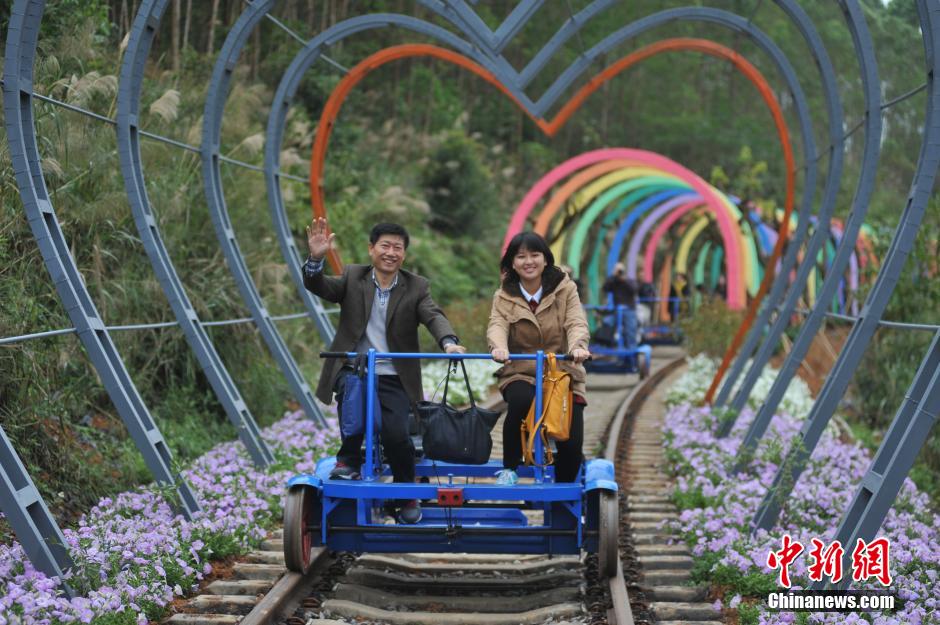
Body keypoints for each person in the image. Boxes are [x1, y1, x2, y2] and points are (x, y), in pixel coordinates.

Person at [303, 217, 465, 524]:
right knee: (354, 406)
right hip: (356, 367)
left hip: (394, 374)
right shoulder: (353, 276)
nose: (391, 252)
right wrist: (316, 259)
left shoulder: (416, 287)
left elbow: (433, 316)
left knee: (396, 434)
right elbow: (320, 286)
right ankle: (347, 459)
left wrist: (448, 342)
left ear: (404, 254)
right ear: (371, 249)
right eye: (385, 246)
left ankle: (406, 494)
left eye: (398, 248)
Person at [487, 232, 591, 485]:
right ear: (512, 263)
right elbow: (497, 325)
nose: (528, 261)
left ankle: (563, 492)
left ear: (546, 260)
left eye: (534, 255)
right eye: (521, 256)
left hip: (562, 369)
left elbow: (576, 321)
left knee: (571, 439)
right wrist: (499, 348)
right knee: (521, 399)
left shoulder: (565, 289)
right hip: (521, 369)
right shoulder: (504, 296)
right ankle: (510, 466)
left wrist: (578, 346)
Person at [602, 262, 639, 348]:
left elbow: (634, 290)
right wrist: (613, 276)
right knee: (607, 324)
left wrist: (624, 280)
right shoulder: (613, 281)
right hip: (617, 310)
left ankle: (632, 358)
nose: (619, 272)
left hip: (629, 310)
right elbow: (605, 288)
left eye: (620, 270)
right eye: (617, 270)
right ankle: (612, 348)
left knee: (630, 333)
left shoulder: (629, 280)